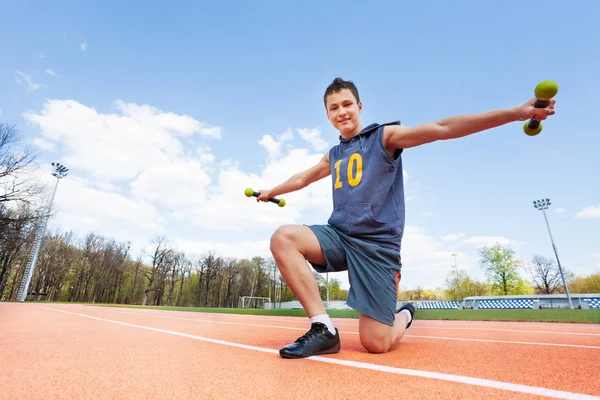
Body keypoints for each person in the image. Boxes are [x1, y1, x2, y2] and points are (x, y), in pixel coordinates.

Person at [256, 77, 556, 358]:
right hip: (341, 237)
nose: (342, 112)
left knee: (376, 344)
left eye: (347, 104)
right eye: (334, 108)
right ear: (327, 115)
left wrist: (517, 112)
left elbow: (442, 128)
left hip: (377, 247)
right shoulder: (334, 154)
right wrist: (272, 190)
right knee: (284, 237)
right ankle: (323, 328)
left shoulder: (385, 137)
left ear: (359, 107)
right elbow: (302, 178)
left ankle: (405, 314)